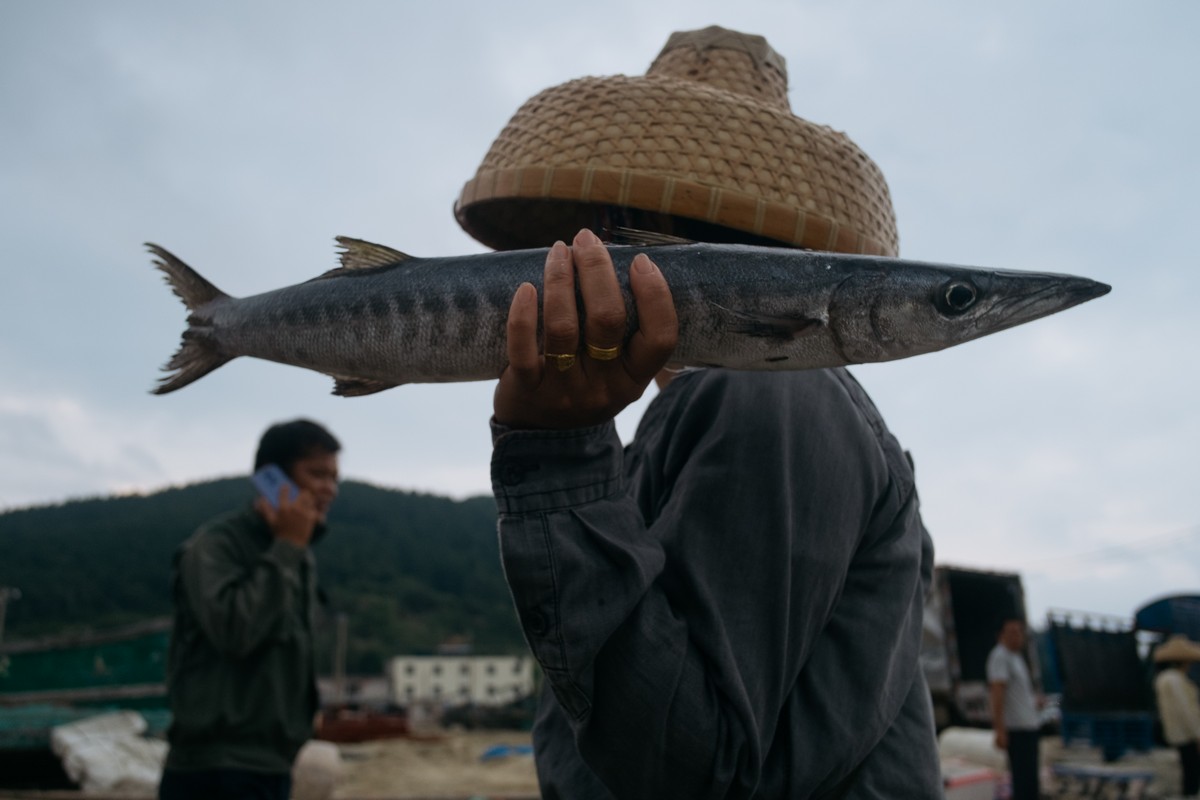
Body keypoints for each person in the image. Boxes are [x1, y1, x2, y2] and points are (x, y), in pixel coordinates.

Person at [456, 26, 941, 798]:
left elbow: (688, 772)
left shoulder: (764, 391)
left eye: (608, 230)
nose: (588, 251)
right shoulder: (706, 403)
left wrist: (556, 454)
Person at [158, 419, 341, 800]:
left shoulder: (295, 552)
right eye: (317, 474)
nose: (330, 489)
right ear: (271, 478)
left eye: (334, 478)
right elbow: (237, 632)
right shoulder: (216, 547)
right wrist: (288, 546)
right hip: (215, 769)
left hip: (271, 763)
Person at [987, 616, 1040, 800]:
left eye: (1019, 632)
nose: (1017, 636)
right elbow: (997, 692)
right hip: (1017, 730)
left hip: (1029, 727)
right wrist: (1000, 729)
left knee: (1031, 781)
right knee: (1022, 782)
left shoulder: (1017, 658)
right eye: (1012, 632)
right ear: (1001, 635)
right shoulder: (1000, 656)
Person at [1153, 635, 1200, 797]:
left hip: (1175, 731)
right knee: (1192, 768)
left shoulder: (1163, 678)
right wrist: (1197, 733)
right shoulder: (1176, 680)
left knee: (1188, 767)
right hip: (1186, 732)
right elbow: (1187, 709)